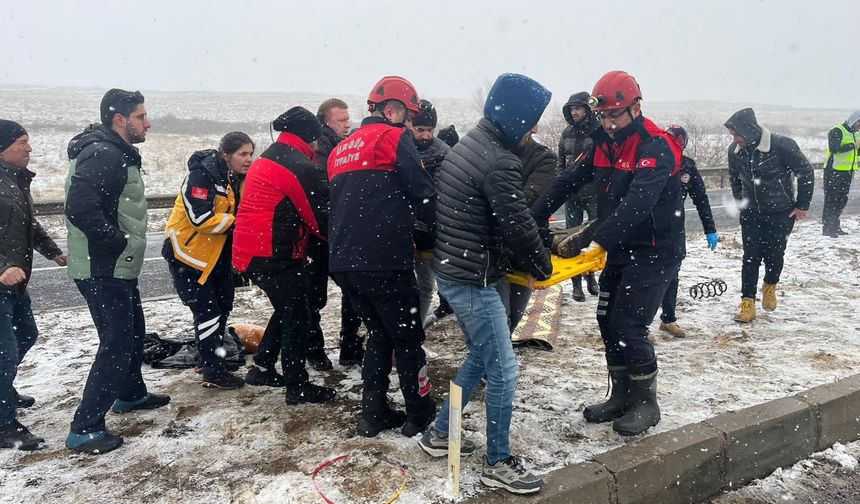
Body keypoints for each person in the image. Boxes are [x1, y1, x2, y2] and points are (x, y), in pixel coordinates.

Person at [417, 73, 553, 495]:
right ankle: (497, 460)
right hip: (471, 278)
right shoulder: (500, 159)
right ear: (515, 117)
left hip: (459, 268)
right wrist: (543, 266)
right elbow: (517, 224)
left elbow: (488, 218)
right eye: (531, 120)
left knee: (481, 355)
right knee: (505, 369)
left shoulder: (472, 143)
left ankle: (440, 432)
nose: (533, 129)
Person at [532, 70, 684, 437]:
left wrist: (594, 236)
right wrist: (532, 215)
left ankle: (646, 402)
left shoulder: (656, 145)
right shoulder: (602, 142)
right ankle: (621, 394)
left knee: (629, 326)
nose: (610, 124)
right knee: (607, 321)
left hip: (655, 251)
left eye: (616, 116)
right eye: (605, 116)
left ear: (635, 107)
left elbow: (639, 202)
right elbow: (568, 180)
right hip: (620, 249)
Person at [328, 76, 436, 438]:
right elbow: (423, 194)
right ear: (392, 110)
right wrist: (437, 233)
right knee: (407, 340)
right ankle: (419, 414)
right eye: (408, 118)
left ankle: (372, 413)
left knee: (378, 335)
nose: (409, 126)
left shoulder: (340, 149)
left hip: (344, 262)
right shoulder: (392, 138)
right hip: (384, 260)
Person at [64, 89, 170, 455]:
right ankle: (86, 427)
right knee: (117, 342)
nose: (148, 122)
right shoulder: (104, 152)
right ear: (119, 120)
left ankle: (130, 394)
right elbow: (80, 206)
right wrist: (117, 242)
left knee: (133, 332)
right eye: (141, 116)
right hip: (102, 266)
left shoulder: (113, 151)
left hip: (114, 266)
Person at [232, 107, 336, 404]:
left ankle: (263, 366)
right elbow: (320, 220)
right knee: (298, 316)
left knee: (289, 307)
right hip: (273, 254)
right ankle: (297, 385)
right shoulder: (299, 165)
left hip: (253, 251)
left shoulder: (270, 155)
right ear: (310, 137)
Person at [162, 132, 254, 390]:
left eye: (250, 154)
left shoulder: (235, 178)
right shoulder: (201, 175)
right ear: (226, 154)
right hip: (188, 255)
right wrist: (241, 225)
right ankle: (214, 371)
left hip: (217, 254)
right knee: (208, 311)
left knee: (223, 306)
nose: (248, 160)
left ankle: (210, 358)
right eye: (242, 154)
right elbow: (200, 219)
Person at [0, 120, 65, 451]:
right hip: (2, 281)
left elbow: (28, 224)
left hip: (16, 283)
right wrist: (3, 266)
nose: (29, 147)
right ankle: (3, 423)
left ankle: (3, 390)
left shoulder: (14, 181)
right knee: (4, 352)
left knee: (27, 335)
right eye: (22, 142)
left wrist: (53, 251)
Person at [725, 108, 814, 323]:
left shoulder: (782, 145)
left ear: (749, 130)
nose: (734, 139)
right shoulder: (735, 151)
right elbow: (734, 176)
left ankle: (770, 285)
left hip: (780, 212)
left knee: (775, 254)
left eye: (737, 134)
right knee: (750, 256)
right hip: (751, 213)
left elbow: (806, 171)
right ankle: (747, 303)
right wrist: (739, 199)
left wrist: (801, 205)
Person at [314, 98, 363, 368]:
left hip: (334, 232)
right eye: (341, 121)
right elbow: (326, 188)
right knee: (317, 297)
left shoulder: (340, 145)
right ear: (326, 121)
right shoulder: (323, 147)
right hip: (324, 234)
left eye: (348, 119)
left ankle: (348, 345)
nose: (347, 124)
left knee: (351, 290)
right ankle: (322, 351)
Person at [658, 125, 719, 339]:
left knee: (672, 274)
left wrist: (709, 229)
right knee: (645, 276)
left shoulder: (687, 167)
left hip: (674, 228)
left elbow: (701, 199)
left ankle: (668, 319)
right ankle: (640, 324)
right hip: (648, 227)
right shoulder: (653, 161)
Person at [502, 125, 558, 331]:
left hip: (525, 245)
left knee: (512, 316)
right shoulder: (491, 151)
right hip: (493, 250)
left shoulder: (544, 158)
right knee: (497, 319)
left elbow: (526, 203)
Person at [406, 99, 450, 356]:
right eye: (420, 129)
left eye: (429, 130)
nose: (424, 135)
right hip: (400, 228)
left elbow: (442, 193)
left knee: (425, 284)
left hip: (429, 230)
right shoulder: (401, 146)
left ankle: (417, 330)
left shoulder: (442, 152)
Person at [558, 92, 601, 302]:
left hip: (593, 193)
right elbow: (560, 163)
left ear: (587, 109)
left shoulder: (598, 131)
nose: (575, 112)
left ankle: (591, 276)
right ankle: (576, 284)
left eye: (578, 108)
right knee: (571, 240)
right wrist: (562, 186)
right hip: (572, 196)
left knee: (593, 238)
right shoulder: (566, 133)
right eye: (572, 108)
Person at [822, 111, 860, 237]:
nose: (859, 125)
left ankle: (835, 226)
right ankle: (827, 228)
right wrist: (853, 145)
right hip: (833, 171)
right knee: (831, 200)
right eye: (858, 122)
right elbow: (834, 149)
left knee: (841, 200)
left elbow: (857, 154)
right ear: (853, 120)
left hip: (848, 171)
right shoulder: (837, 131)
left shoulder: (856, 134)